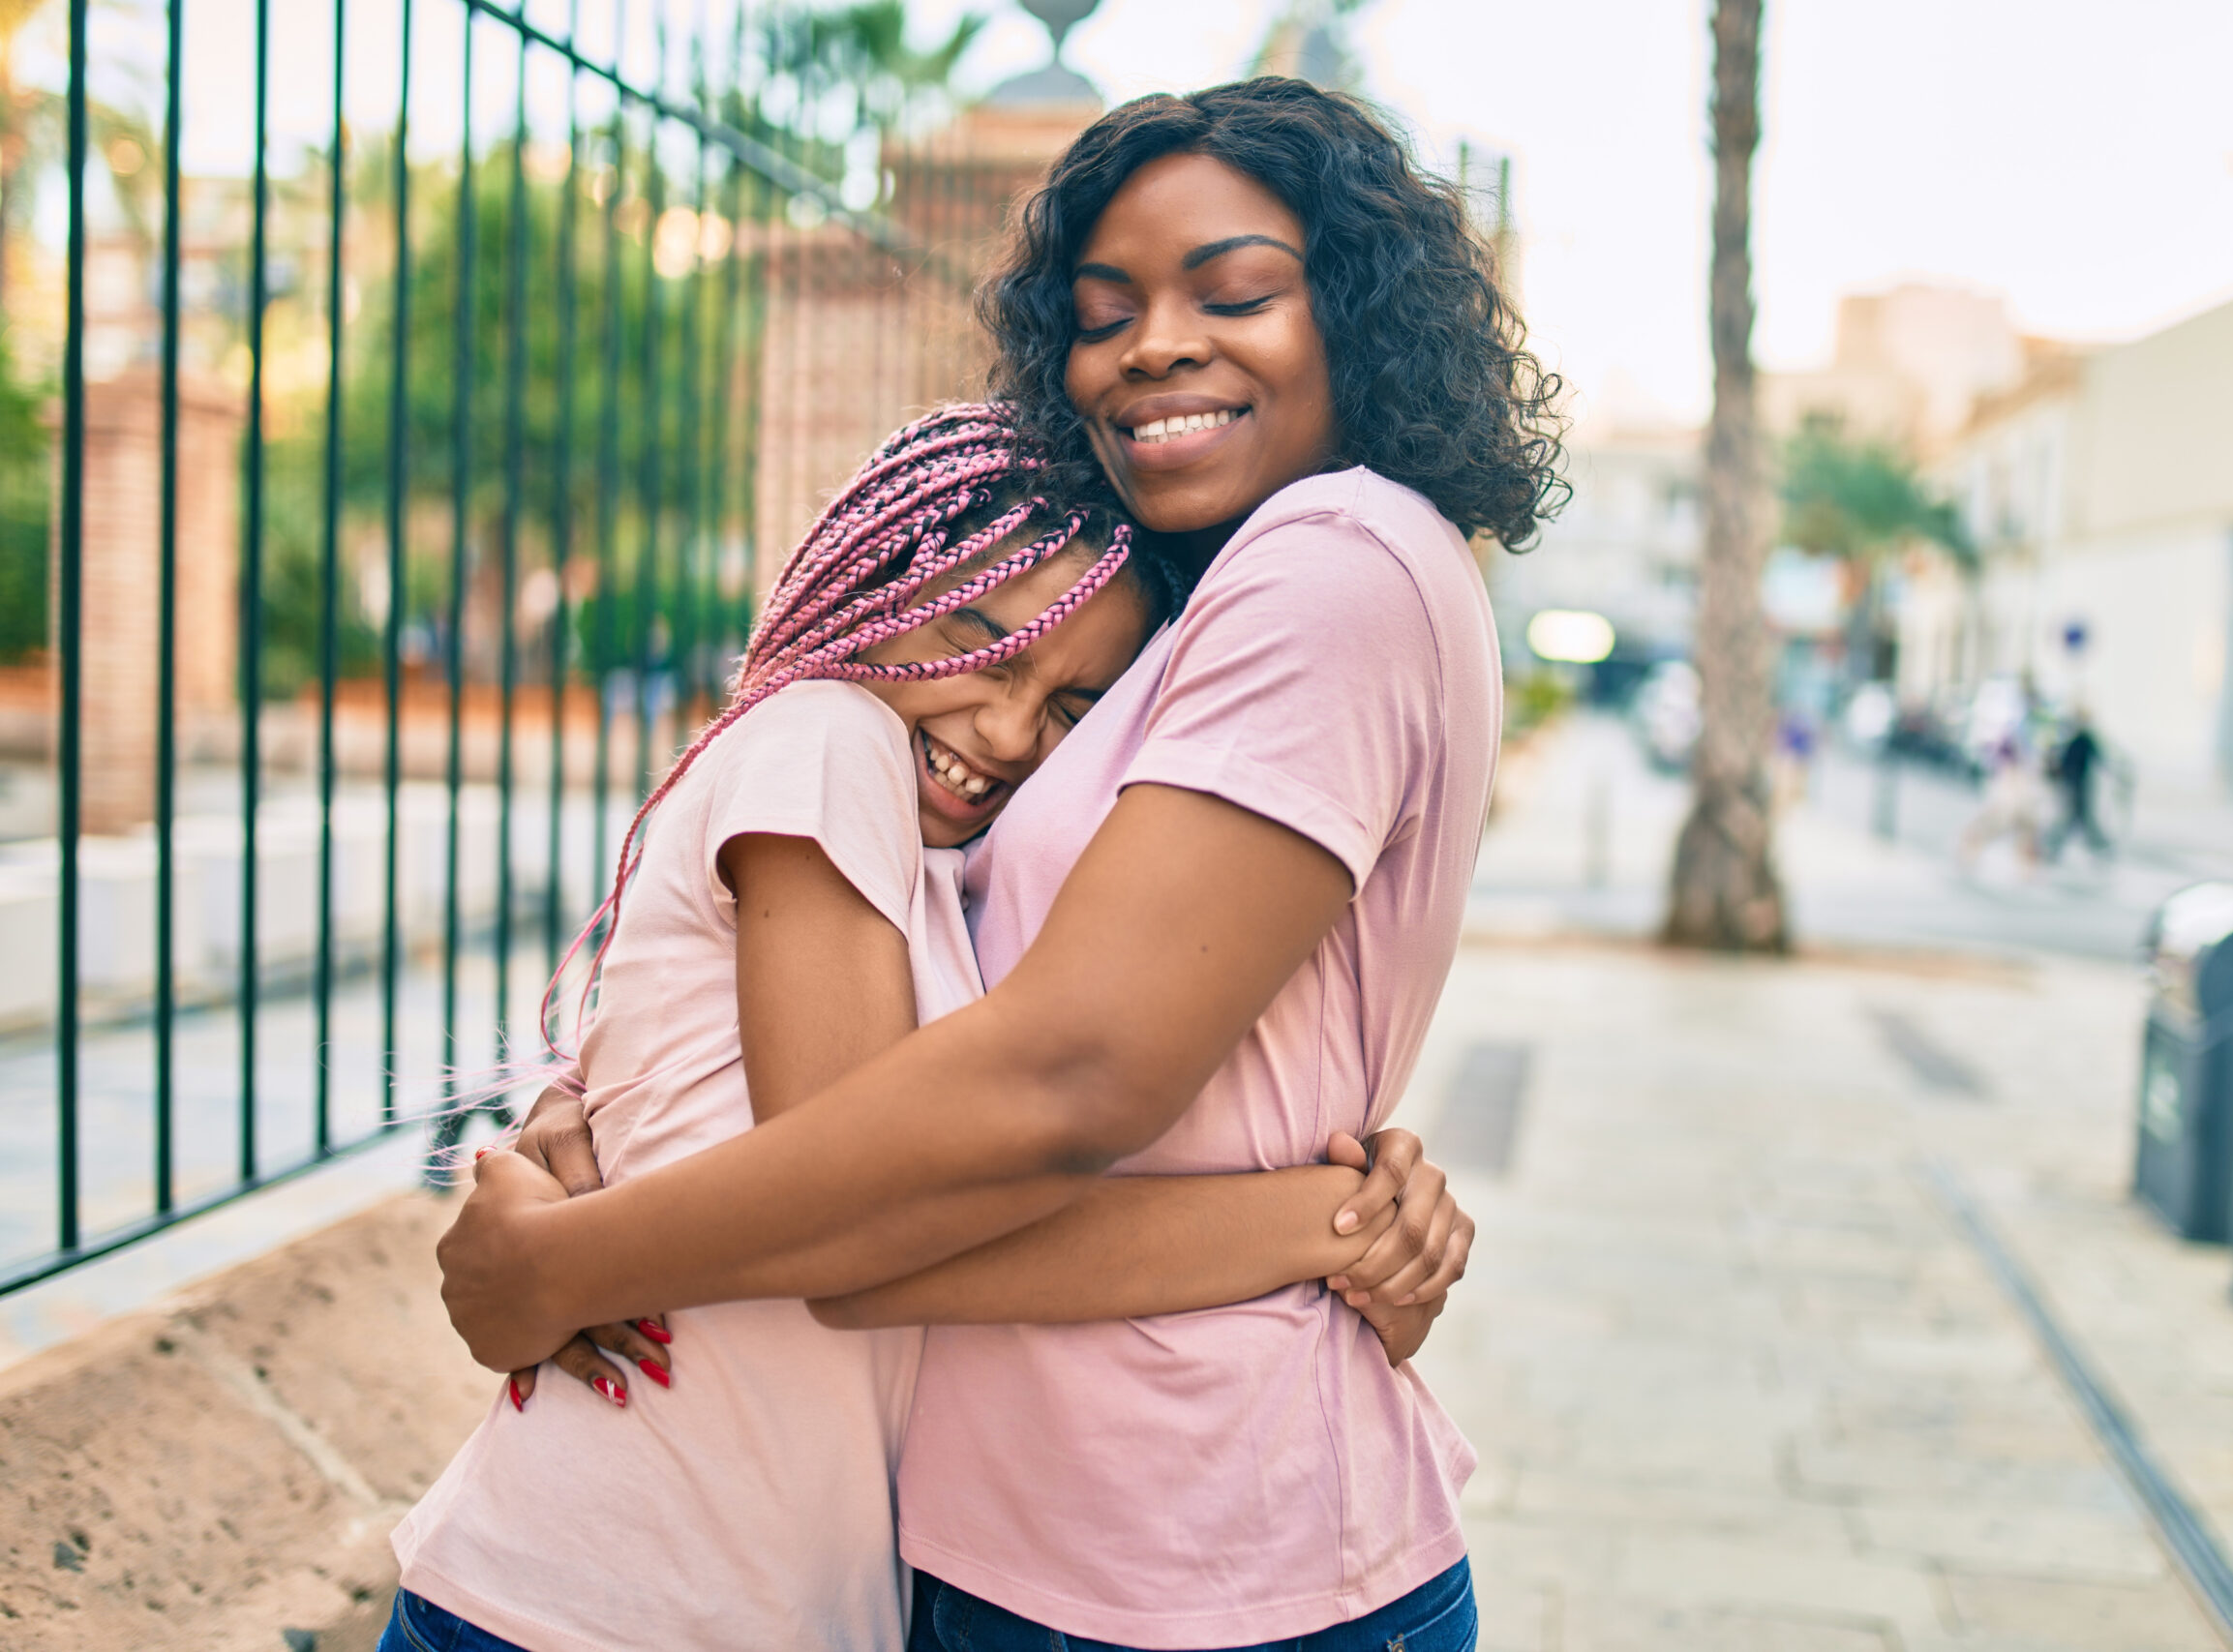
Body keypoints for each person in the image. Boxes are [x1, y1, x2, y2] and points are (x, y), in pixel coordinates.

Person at [438, 75, 1564, 1652]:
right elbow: (910, 1046)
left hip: (1183, 1549)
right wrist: (599, 1097)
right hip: (1028, 1541)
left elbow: (1052, 1080)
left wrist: (554, 1263)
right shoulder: (1195, 610)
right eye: (1105, 313)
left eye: (1233, 291)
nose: (1156, 342)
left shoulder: (1336, 557)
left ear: (1364, 318)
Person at [382, 408, 1464, 1652]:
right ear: (870, 583)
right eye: (981, 644)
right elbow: (857, 1210)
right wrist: (1323, 1221)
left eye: (1070, 709)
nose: (1008, 733)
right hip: (595, 1600)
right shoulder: (826, 738)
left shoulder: (948, 868)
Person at [1956, 734, 2043, 875]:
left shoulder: (2016, 768)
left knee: (2024, 831)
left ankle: (1969, 852)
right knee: (1994, 827)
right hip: (2011, 803)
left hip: (2013, 803)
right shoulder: (2013, 769)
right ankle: (1968, 852)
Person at [2045, 710, 2111, 862]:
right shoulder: (2074, 739)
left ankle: (2054, 847)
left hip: (2079, 786)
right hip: (2073, 786)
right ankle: (2053, 846)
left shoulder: (2083, 740)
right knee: (2075, 819)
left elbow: (2098, 759)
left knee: (2078, 819)